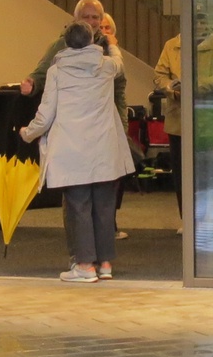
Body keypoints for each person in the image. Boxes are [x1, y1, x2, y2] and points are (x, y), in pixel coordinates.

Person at [21, 23, 136, 282]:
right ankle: (105, 263)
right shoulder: (106, 66)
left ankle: (84, 266)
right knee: (104, 207)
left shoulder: (57, 71)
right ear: (92, 41)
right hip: (105, 149)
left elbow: (45, 115)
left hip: (72, 151)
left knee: (79, 208)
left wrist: (28, 133)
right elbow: (120, 63)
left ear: (66, 43)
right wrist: (113, 45)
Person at [153, 10, 213, 220]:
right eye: (194, 21)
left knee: (206, 173)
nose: (198, 26)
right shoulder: (171, 45)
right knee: (181, 173)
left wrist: (197, 86)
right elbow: (159, 75)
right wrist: (172, 89)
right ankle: (187, 220)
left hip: (207, 119)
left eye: (202, 21)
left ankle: (206, 218)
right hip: (178, 119)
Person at [20, 0, 110, 97]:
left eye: (95, 17)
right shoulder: (61, 44)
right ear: (76, 19)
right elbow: (43, 72)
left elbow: (117, 84)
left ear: (101, 20)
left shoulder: (108, 46)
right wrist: (32, 82)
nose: (90, 21)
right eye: (86, 17)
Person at [100, 12, 131, 241]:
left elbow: (120, 94)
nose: (103, 31)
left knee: (114, 178)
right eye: (100, 27)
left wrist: (123, 126)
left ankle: (109, 223)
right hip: (93, 124)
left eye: (107, 28)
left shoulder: (116, 58)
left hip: (113, 122)